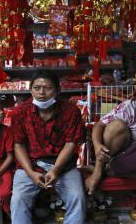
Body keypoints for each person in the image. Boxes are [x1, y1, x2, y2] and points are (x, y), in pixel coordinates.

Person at [10, 70, 86, 223]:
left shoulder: (71, 111)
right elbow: (19, 145)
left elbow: (71, 143)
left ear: (58, 90)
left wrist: (56, 169)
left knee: (77, 198)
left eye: (48, 88)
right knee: (18, 200)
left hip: (63, 166)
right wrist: (30, 172)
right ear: (30, 90)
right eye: (36, 88)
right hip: (31, 164)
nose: (41, 93)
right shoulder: (20, 112)